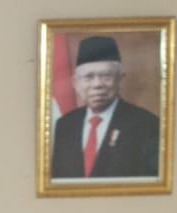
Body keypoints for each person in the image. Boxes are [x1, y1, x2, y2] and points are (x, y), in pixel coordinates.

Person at [51, 35, 159, 179]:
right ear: (76, 83)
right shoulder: (65, 125)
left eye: (106, 76)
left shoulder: (147, 124)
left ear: (120, 79)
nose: (97, 84)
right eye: (88, 77)